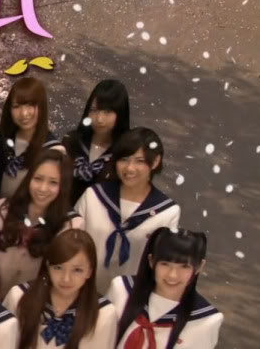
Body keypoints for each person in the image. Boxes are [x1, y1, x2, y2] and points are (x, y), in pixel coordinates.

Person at [75, 128, 180, 293]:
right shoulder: (94, 196)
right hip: (82, 291)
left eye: (139, 161)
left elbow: (161, 265)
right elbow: (71, 244)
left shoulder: (166, 212)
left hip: (129, 298)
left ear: (155, 162)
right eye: (124, 159)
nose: (129, 168)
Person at [109, 228, 223, 349]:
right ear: (151, 261)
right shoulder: (122, 289)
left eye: (184, 266)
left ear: (199, 267)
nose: (173, 275)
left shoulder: (206, 320)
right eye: (165, 264)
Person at [4, 229, 118, 349]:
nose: (66, 279)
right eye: (58, 268)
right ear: (48, 266)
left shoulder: (104, 314)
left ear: (89, 272)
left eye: (77, 270)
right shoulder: (19, 297)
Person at [0, 151, 82, 297]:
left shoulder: (71, 225)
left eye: (53, 182)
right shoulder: (3, 209)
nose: (42, 188)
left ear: (63, 186)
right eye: (38, 179)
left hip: (33, 301)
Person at [0, 77, 65, 198]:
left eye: (30, 105)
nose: (24, 113)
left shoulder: (54, 152)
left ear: (41, 107)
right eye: (16, 106)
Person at [62, 80, 130, 205]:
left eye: (107, 112)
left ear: (120, 114)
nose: (99, 119)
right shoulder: (72, 141)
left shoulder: (125, 154)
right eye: (94, 110)